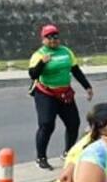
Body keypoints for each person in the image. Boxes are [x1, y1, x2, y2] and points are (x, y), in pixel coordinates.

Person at [28, 24, 93, 170]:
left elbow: (75, 70)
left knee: (73, 123)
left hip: (64, 92)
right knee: (46, 124)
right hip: (46, 93)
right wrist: (41, 63)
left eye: (55, 36)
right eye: (49, 37)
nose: (53, 40)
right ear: (43, 39)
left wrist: (87, 87)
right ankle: (41, 157)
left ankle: (68, 152)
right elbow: (33, 74)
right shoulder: (39, 54)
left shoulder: (66, 52)